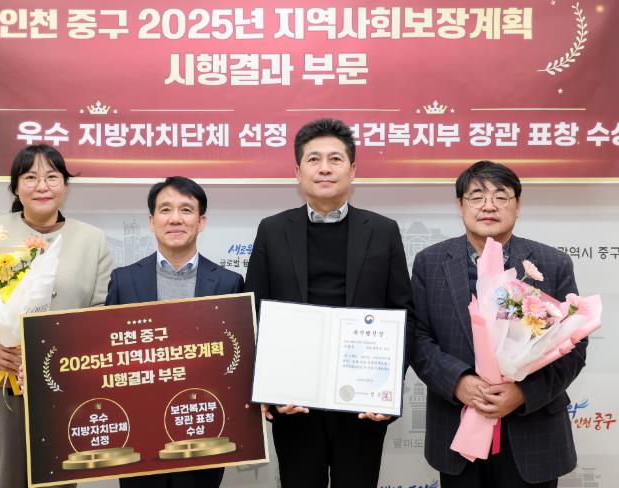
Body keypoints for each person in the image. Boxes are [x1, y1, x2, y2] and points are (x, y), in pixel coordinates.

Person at [243, 118, 415, 488]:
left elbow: (403, 315)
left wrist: (386, 393)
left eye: (335, 159)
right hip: (294, 402)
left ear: (352, 170)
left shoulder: (383, 231)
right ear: (298, 171)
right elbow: (254, 313)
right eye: (314, 159)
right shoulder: (272, 230)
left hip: (362, 402)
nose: (324, 168)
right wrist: (267, 390)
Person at [0, 144, 112, 488]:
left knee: (59, 479)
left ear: (65, 186)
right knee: (2, 478)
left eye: (52, 177)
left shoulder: (92, 240)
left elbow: (99, 311)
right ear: (15, 187)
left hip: (62, 384)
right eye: (30, 177)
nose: (42, 186)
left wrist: (66, 358)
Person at [409, 161, 586, 488]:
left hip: (533, 431)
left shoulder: (552, 264)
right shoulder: (429, 263)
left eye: (501, 197)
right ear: (461, 205)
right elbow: (417, 338)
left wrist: (522, 393)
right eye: (477, 196)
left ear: (518, 206)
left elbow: (573, 344)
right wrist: (458, 382)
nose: (488, 206)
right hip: (458, 426)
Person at [106, 176, 244, 488]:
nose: (176, 219)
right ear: (151, 221)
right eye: (165, 210)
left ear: (201, 221)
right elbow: (107, 354)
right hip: (138, 429)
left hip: (203, 426)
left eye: (186, 210)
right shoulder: (123, 280)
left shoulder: (228, 283)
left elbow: (236, 359)